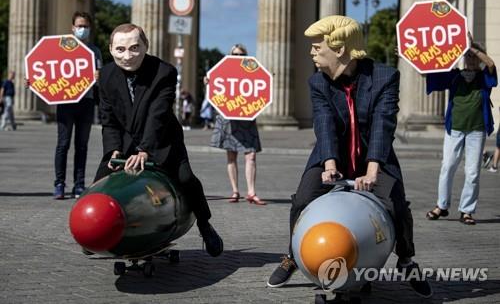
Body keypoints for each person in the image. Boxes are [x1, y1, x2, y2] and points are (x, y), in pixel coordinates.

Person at [266, 15, 432, 298]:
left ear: (340, 49)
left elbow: (383, 123)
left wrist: (373, 170)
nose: (312, 53)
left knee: (398, 207)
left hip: (374, 159)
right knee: (302, 199)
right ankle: (293, 254)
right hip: (332, 157)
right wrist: (329, 164)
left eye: (317, 47)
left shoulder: (385, 77)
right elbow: (324, 123)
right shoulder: (318, 82)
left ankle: (406, 260)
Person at [94, 23, 223, 257]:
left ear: (146, 46)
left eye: (134, 48)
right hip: (123, 141)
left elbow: (158, 115)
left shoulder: (164, 72)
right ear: (111, 49)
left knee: (186, 178)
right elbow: (108, 119)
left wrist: (146, 150)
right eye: (120, 49)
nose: (127, 55)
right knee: (99, 182)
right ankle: (95, 232)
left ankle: (205, 225)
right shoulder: (104, 76)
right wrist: (113, 151)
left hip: (162, 139)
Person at [425, 36, 497, 225]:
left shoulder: (484, 77)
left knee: (472, 172)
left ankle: (467, 211)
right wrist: (409, 56)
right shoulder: (454, 75)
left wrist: (472, 46)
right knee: (447, 166)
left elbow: (491, 64)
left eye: (474, 57)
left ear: (479, 58)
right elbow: (429, 72)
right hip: (454, 129)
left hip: (476, 130)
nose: (471, 60)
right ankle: (442, 206)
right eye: (468, 56)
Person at [51, 11, 103, 200]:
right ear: (72, 28)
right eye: (79, 26)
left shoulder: (94, 51)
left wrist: (99, 77)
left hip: (86, 102)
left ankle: (79, 185)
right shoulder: (61, 49)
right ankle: (59, 184)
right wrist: (34, 80)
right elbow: (49, 71)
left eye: (85, 26)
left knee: (82, 145)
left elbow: (100, 78)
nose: (82, 29)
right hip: (65, 102)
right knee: (63, 144)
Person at [208, 44, 266, 205]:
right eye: (234, 54)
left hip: (247, 118)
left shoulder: (252, 70)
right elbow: (216, 88)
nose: (237, 57)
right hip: (228, 118)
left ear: (246, 56)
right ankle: (235, 191)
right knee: (231, 156)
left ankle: (251, 192)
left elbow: (260, 88)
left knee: (251, 155)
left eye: (241, 55)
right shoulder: (224, 69)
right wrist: (209, 82)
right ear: (230, 54)